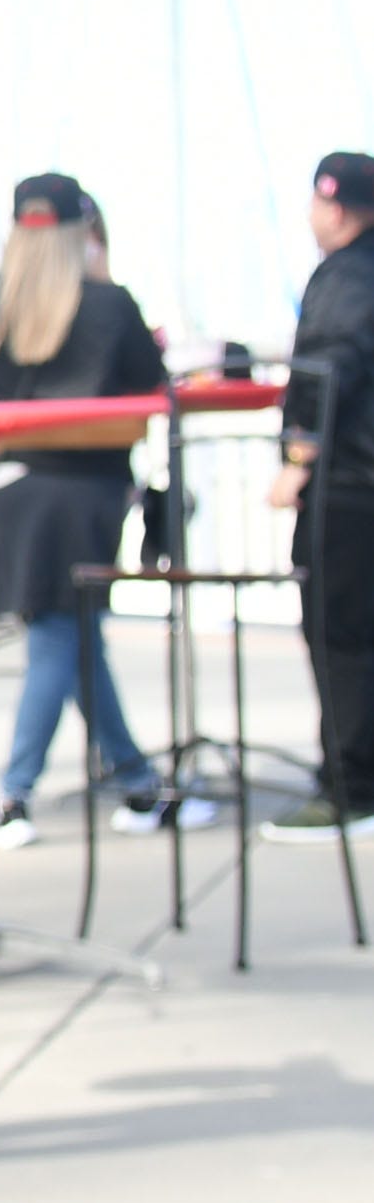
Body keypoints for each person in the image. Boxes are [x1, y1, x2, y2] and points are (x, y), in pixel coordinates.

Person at [0, 175, 209, 846]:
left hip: (9, 490)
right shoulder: (109, 303)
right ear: (81, 230)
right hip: (86, 493)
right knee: (60, 637)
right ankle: (14, 793)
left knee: (74, 636)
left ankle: (137, 781)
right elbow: (151, 386)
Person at [267, 150, 374, 843]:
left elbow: (329, 366)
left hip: (350, 483)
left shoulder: (343, 277)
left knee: (340, 635)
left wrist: (298, 457)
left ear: (333, 207)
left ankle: (349, 785)